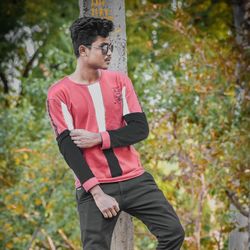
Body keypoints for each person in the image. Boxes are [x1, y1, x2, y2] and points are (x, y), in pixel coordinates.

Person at [46, 16, 185, 250]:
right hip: (95, 186)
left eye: (110, 46)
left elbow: (140, 129)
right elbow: (68, 148)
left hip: (135, 179)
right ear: (83, 50)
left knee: (173, 233)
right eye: (104, 47)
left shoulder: (119, 81)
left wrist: (100, 137)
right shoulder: (59, 93)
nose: (109, 52)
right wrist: (98, 193)